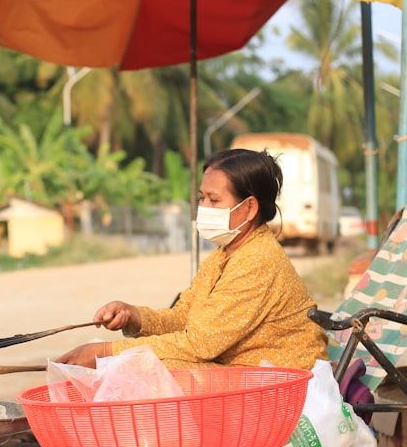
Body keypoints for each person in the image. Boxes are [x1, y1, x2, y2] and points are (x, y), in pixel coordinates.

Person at [56, 148, 329, 370]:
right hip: (248, 373)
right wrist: (134, 316)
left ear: (249, 208)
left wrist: (105, 352)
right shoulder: (225, 255)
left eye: (213, 199)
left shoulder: (259, 260)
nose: (203, 209)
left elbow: (199, 344)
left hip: (284, 381)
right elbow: (184, 317)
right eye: (201, 198)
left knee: (155, 367)